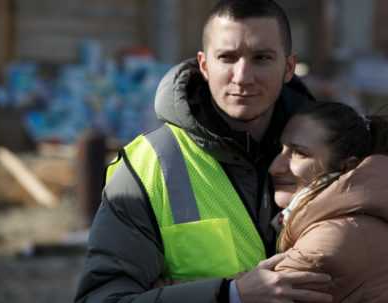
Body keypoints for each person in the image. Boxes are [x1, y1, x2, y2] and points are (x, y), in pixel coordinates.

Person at [75, 1, 334, 302]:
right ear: (204, 65)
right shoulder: (148, 167)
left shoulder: (337, 152)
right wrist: (229, 295)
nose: (243, 77)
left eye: (261, 58)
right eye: (227, 57)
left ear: (289, 67)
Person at [269, 102, 388, 302]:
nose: (275, 167)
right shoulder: (353, 222)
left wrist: (234, 292)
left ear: (347, 166)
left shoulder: (333, 236)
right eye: (280, 149)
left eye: (299, 153)